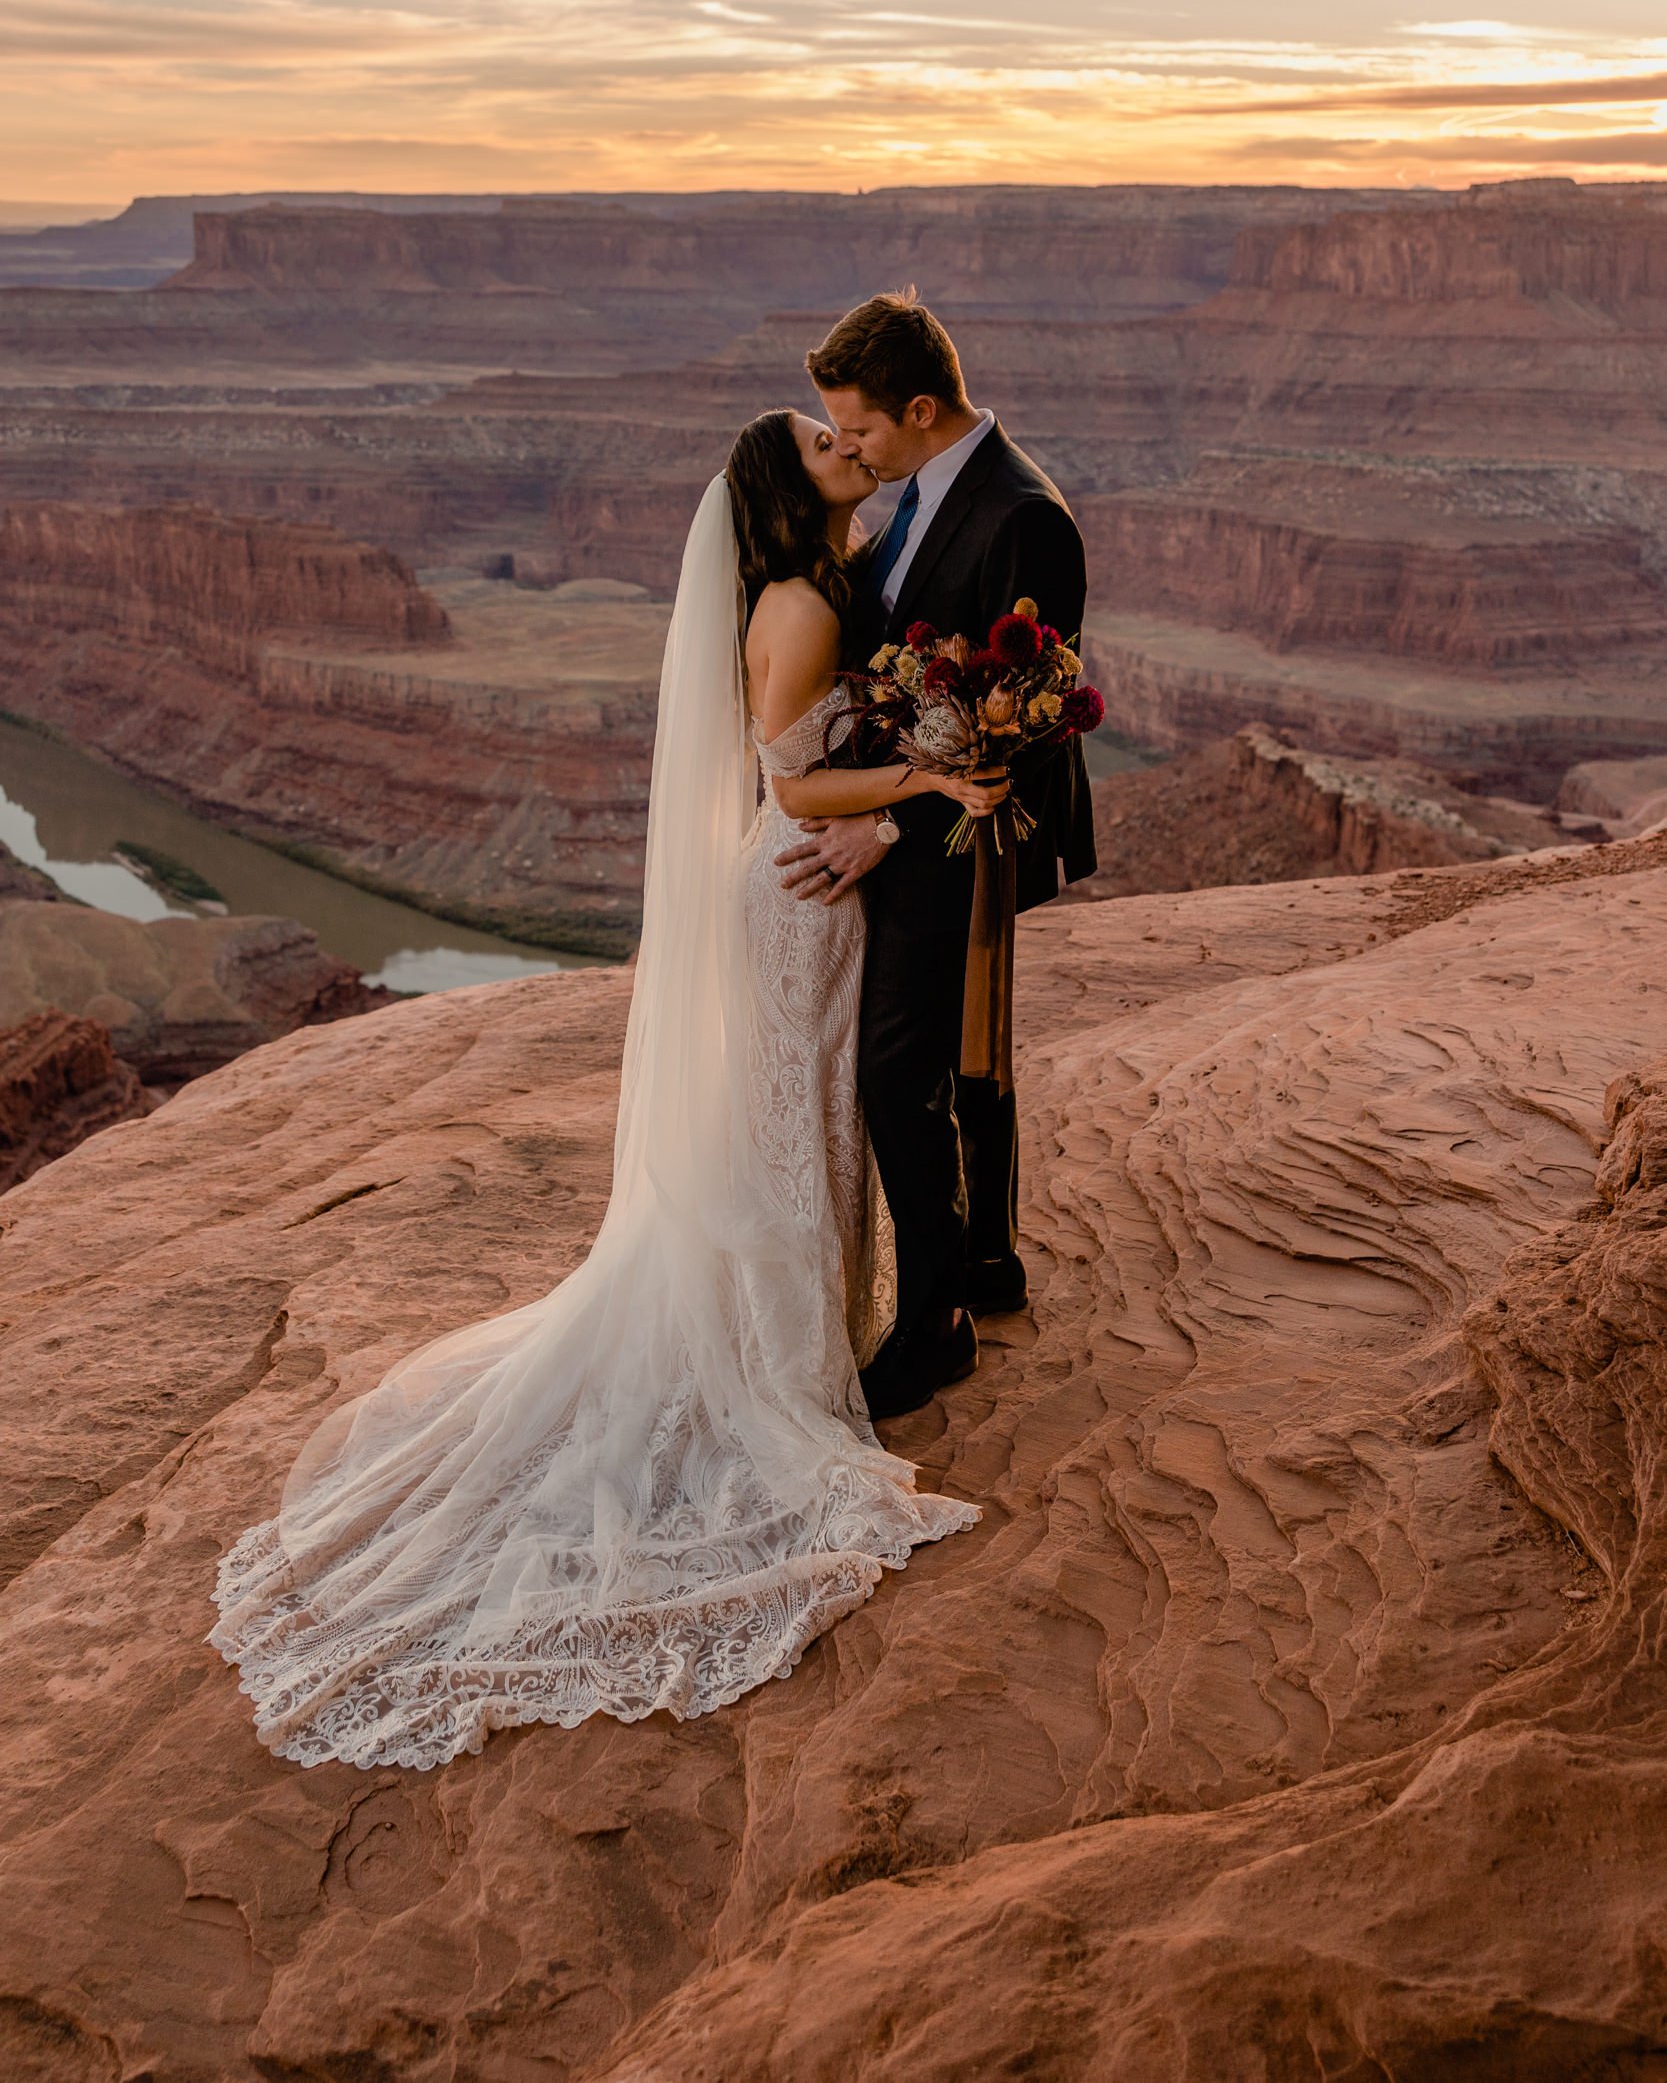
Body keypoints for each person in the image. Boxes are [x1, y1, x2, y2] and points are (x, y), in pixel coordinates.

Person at [208, 406, 992, 1770]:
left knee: (792, 1119)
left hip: (802, 894)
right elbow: (785, 782)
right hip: (801, 891)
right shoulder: (801, 603)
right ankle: (776, 1371)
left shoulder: (815, 581)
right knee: (790, 1124)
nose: (840, 442)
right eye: (818, 439)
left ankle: (792, 1343)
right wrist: (924, 777)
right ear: (780, 487)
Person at [779, 292, 1097, 1421]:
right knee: (945, 1066)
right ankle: (981, 1265)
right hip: (921, 811)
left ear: (920, 408)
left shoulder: (1023, 517)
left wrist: (881, 824)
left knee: (902, 1074)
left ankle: (935, 1324)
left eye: (858, 428)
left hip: (964, 839)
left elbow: (1021, 723)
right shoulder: (917, 498)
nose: (850, 449)